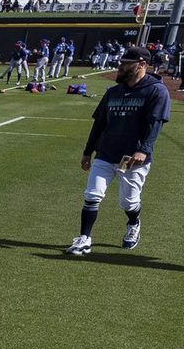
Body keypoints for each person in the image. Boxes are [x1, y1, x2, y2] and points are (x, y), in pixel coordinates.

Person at [66, 47, 170, 256]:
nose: (120, 66)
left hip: (132, 159)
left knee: (128, 202)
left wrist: (143, 150)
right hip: (105, 153)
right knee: (92, 195)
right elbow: (99, 124)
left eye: (125, 63)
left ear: (141, 64)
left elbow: (155, 124)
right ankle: (84, 239)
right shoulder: (113, 92)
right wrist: (88, 151)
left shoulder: (156, 91)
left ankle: (133, 222)